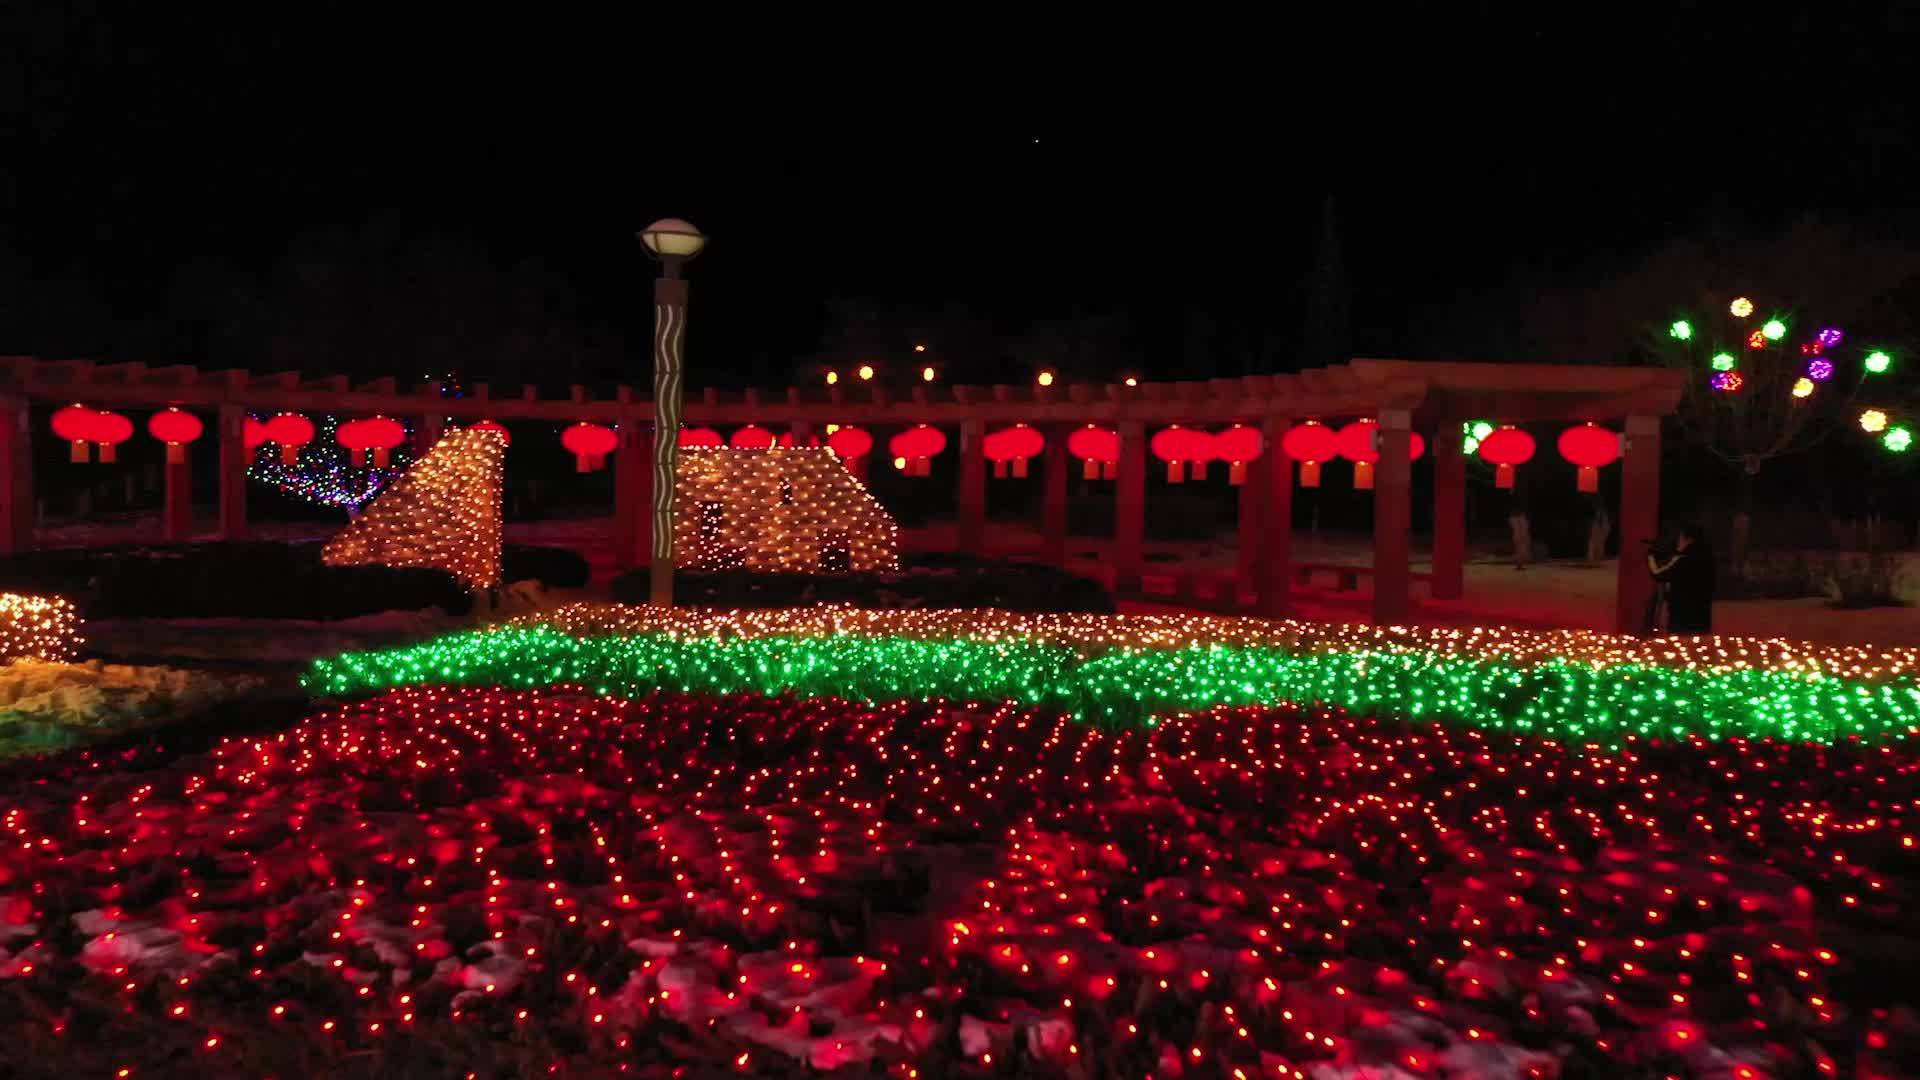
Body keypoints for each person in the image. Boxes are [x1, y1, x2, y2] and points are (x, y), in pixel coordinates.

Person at [1648, 523, 1715, 634]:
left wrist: (1651, 557)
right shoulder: (1708, 557)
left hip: (1681, 618)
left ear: (1687, 539)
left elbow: (1658, 574)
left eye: (1680, 538)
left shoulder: (1683, 558)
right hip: (1702, 618)